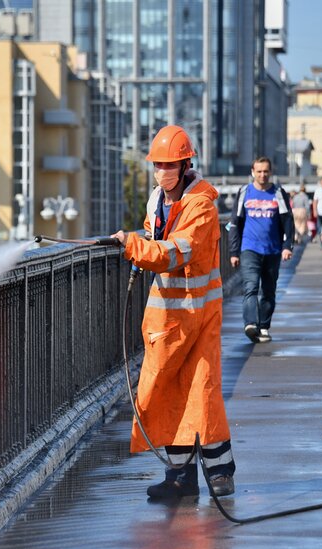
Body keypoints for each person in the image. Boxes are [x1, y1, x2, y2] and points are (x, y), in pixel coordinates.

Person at [111, 125, 235, 499]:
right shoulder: (157, 202)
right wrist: (140, 241)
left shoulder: (201, 208)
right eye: (157, 165)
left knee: (203, 393)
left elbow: (174, 253)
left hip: (199, 318)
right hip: (168, 321)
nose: (162, 172)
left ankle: (221, 474)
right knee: (164, 393)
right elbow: (155, 237)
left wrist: (134, 247)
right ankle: (179, 477)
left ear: (185, 166)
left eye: (169, 165)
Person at [228, 157, 294, 343]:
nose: (262, 175)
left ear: (270, 172)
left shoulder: (278, 193)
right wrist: (234, 252)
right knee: (250, 287)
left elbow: (288, 221)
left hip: (272, 250)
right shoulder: (244, 192)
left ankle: (263, 326)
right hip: (249, 248)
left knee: (269, 290)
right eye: (259, 172)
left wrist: (287, 246)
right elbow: (234, 223)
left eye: (265, 171)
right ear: (252, 172)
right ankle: (250, 324)